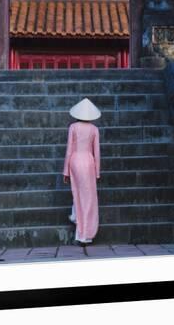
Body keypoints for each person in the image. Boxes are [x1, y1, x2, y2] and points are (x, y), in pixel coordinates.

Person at [63, 98, 101, 246]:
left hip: (75, 160)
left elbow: (68, 150)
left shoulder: (73, 127)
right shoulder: (94, 129)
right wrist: (97, 172)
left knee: (78, 192)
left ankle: (76, 218)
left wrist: (66, 170)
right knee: (88, 198)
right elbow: (96, 152)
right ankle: (85, 234)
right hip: (89, 161)